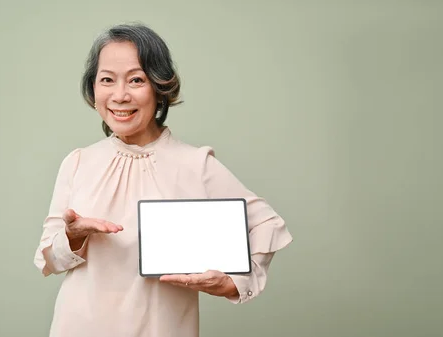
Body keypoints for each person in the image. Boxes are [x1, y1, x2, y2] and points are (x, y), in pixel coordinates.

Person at [33, 23, 293, 337]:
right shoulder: (78, 162)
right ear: (94, 89)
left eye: (136, 80)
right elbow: (48, 259)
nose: (120, 95)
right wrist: (73, 236)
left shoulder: (195, 164)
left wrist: (232, 283)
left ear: (159, 86)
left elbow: (268, 225)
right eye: (106, 80)